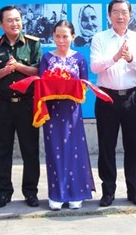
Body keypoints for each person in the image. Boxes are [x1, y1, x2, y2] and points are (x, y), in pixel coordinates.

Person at [90, 0, 136, 207]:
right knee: (106, 146)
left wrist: (131, 58)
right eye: (116, 12)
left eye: (124, 12)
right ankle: (108, 192)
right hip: (106, 97)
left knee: (132, 146)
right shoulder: (99, 38)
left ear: (130, 15)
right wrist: (115, 57)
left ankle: (134, 191)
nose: (120, 16)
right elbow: (95, 67)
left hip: (131, 98)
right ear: (109, 15)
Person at [0, 5, 42, 208]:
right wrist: (5, 70)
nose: (14, 23)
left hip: (27, 104)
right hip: (3, 104)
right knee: (1, 150)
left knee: (30, 150)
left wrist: (18, 67)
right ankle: (3, 192)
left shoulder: (33, 44)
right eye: (9, 20)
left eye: (17, 19)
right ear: (1, 24)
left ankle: (31, 192)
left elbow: (37, 71)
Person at [39, 20, 95, 210]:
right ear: (53, 36)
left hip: (72, 112)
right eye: (57, 36)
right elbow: (41, 85)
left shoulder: (79, 58)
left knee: (73, 151)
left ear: (72, 37)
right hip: (52, 114)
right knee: (55, 151)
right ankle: (57, 194)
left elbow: (85, 83)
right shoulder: (46, 58)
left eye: (65, 36)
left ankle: (75, 192)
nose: (61, 40)